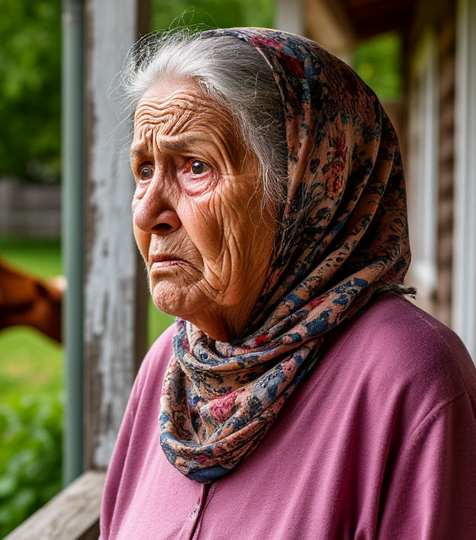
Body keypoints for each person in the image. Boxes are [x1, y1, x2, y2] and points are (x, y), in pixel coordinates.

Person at [100, 28, 476, 539]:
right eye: (144, 170)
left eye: (195, 167)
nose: (148, 213)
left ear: (307, 191)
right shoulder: (170, 364)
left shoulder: (408, 377)